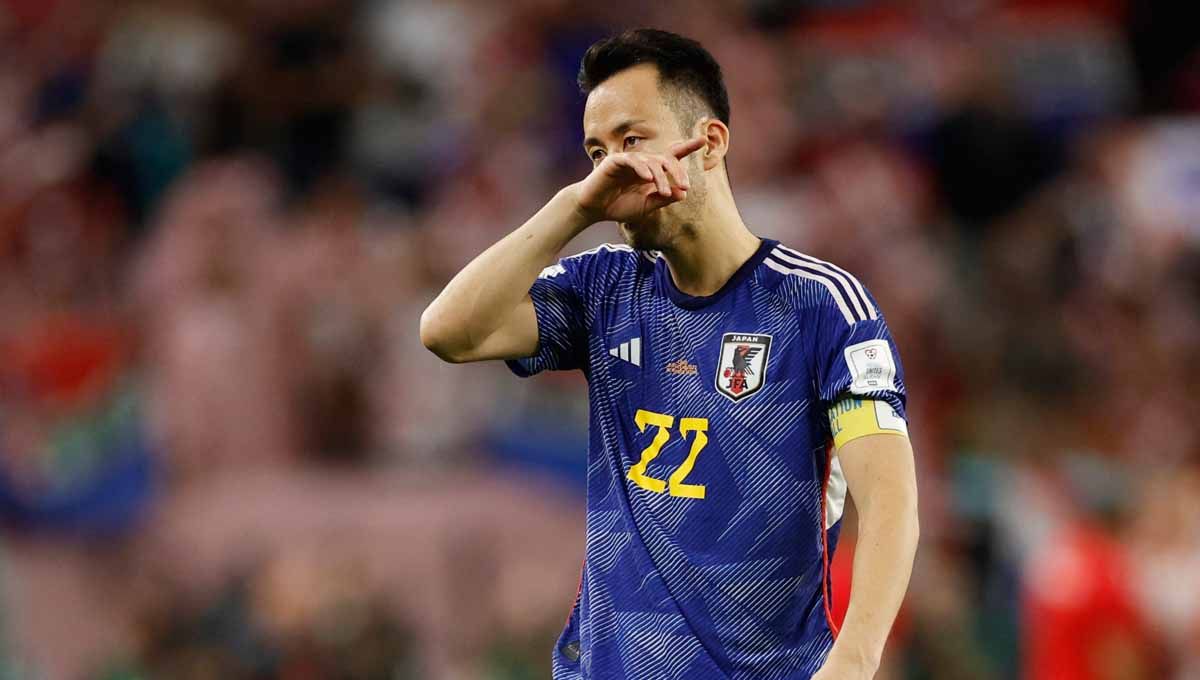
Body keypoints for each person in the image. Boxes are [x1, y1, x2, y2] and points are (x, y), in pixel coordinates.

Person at [421, 28, 918, 680]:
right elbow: (448, 332)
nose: (613, 167)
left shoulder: (820, 308)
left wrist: (853, 661)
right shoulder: (602, 288)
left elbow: (889, 500)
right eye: (596, 151)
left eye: (632, 140)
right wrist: (573, 208)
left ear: (709, 143)